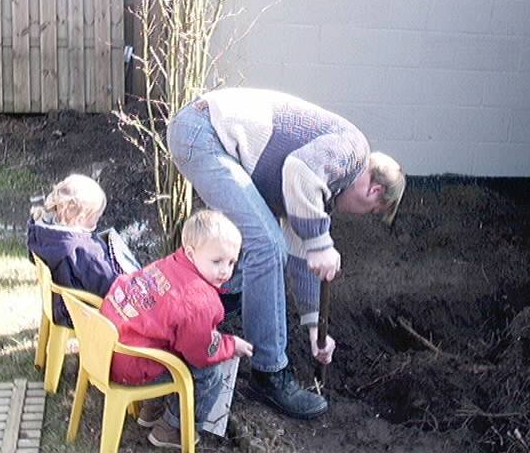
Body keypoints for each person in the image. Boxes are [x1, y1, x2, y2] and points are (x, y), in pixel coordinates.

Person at [167, 88, 406, 420]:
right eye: (370, 209)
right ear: (374, 191)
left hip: (206, 135)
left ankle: (180, 327)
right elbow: (298, 171)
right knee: (265, 245)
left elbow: (299, 250)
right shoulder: (352, 149)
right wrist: (322, 242)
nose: (358, 214)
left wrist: (313, 327)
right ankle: (269, 373)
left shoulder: (319, 190)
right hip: (204, 132)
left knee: (256, 253)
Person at [100, 209, 254, 449]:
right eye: (217, 261)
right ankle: (173, 428)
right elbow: (203, 352)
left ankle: (152, 409)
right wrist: (231, 344)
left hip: (110, 350)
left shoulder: (168, 265)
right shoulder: (198, 301)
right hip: (132, 366)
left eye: (231, 262)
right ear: (191, 253)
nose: (225, 270)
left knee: (170, 339)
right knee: (209, 374)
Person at [28, 173, 118, 327]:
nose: (98, 219)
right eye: (96, 216)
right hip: (79, 312)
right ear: (81, 218)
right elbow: (108, 286)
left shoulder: (43, 233)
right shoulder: (83, 250)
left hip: (57, 304)